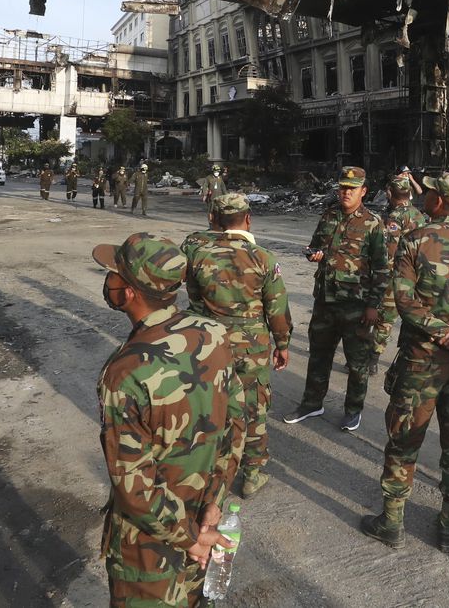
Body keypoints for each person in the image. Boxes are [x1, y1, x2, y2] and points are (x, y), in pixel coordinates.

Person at [93, 232, 245, 607]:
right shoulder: (212, 333)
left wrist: (191, 539)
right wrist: (214, 502)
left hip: (148, 551)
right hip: (202, 518)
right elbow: (237, 423)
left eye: (113, 274)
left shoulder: (125, 372)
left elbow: (133, 484)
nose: (108, 282)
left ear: (129, 292)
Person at [361, 173, 449, 551]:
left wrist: (444, 335)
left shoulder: (414, 240)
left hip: (421, 361)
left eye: (430, 193)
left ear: (439, 201)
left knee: (404, 439)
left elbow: (404, 300)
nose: (423, 197)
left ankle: (391, 521)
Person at [183, 193, 293, 499]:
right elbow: (277, 309)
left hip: (208, 342)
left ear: (214, 220)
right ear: (248, 218)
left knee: (210, 404)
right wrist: (282, 344)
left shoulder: (195, 251)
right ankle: (252, 474)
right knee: (253, 408)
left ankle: (207, 469)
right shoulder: (263, 258)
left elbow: (192, 296)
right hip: (251, 347)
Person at [284, 166, 388, 432]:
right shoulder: (329, 215)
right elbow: (315, 245)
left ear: (363, 191)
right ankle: (311, 403)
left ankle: (353, 410)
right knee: (319, 355)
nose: (346, 192)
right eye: (343, 187)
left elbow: (381, 268)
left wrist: (374, 305)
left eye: (352, 189)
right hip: (325, 301)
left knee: (357, 362)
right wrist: (313, 254)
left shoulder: (373, 222)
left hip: (356, 305)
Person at [373, 176, 429, 375]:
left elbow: (390, 249)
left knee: (385, 317)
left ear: (391, 193)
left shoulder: (395, 217)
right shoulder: (419, 215)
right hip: (416, 275)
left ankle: (373, 356)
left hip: (396, 274)